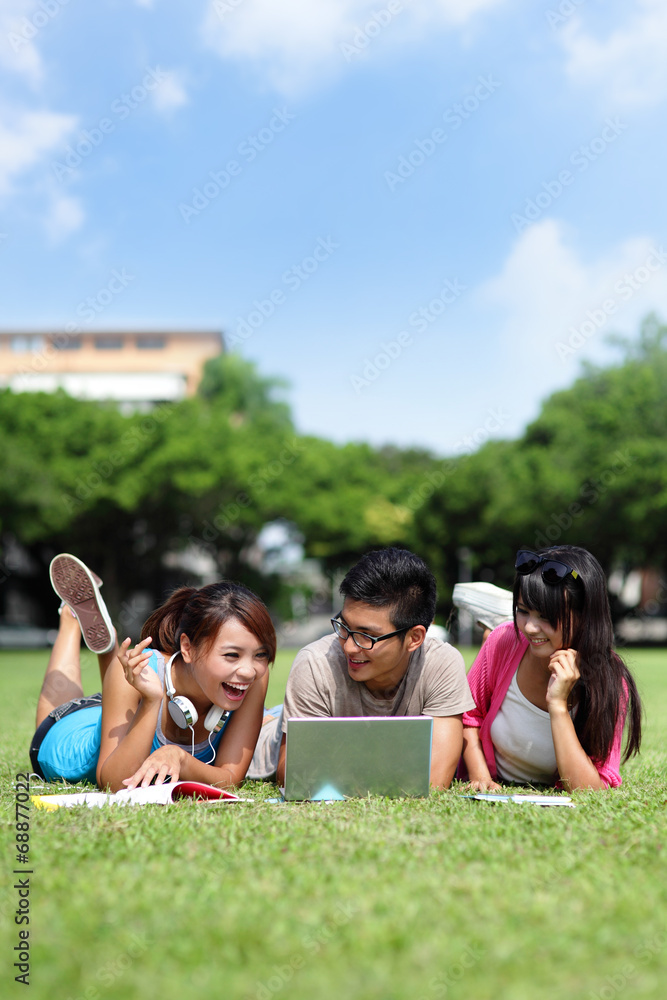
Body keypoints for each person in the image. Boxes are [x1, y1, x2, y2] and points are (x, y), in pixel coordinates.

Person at [30, 553, 275, 792]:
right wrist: (151, 701)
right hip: (71, 731)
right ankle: (71, 619)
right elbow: (113, 784)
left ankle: (112, 653)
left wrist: (180, 758)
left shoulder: (252, 678)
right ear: (187, 648)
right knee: (56, 716)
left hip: (119, 706)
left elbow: (229, 779)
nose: (248, 671)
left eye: (261, 655)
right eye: (231, 655)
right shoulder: (148, 673)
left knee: (124, 677)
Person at [248, 547, 475, 789]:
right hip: (264, 736)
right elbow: (295, 774)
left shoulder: (441, 663)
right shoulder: (316, 663)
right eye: (344, 627)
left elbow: (435, 781)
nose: (348, 647)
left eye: (367, 636)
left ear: (414, 638)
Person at [460, 545, 642, 791]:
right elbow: (469, 717)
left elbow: (591, 789)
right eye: (523, 611)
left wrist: (558, 705)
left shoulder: (609, 677)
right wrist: (481, 777)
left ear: (585, 616)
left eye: (546, 616)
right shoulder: (504, 640)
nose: (531, 628)